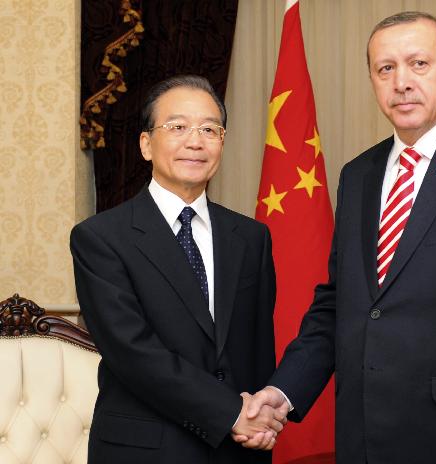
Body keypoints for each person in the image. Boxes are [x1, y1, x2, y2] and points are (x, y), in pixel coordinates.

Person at [239, 12, 436, 464]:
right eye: (385, 68)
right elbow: (340, 304)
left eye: (418, 64)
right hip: (365, 437)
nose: (401, 82)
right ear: (372, 79)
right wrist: (283, 391)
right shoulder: (358, 175)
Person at [70, 75, 285, 463]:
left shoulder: (251, 237)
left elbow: (256, 350)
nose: (195, 141)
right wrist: (230, 414)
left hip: (237, 450)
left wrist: (259, 420)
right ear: (146, 144)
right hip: (145, 450)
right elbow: (133, 353)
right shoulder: (100, 238)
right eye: (178, 127)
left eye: (209, 129)